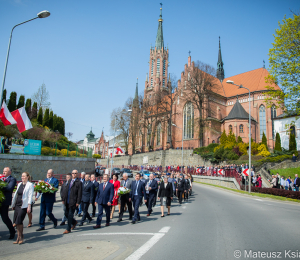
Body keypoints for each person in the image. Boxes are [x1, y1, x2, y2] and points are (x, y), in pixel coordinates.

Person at [11, 172, 34, 244]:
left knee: (18, 221)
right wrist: (13, 204)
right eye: (22, 176)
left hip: (24, 205)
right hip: (17, 205)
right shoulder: (19, 184)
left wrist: (29, 206)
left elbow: (30, 196)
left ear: (27, 177)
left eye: (24, 176)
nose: (22, 177)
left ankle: (20, 237)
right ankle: (19, 237)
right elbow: (16, 195)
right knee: (18, 222)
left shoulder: (30, 185)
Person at [0, 167, 17, 239]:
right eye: (3, 171)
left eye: (5, 171)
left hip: (5, 202)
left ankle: (12, 231)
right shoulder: (1, 178)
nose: (4, 172)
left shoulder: (12, 179)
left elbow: (9, 188)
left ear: (9, 172)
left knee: (5, 218)